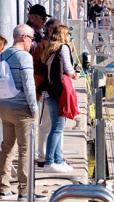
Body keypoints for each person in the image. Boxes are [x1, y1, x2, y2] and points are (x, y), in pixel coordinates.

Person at [0, 24, 47, 200]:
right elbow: (29, 86)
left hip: (4, 106)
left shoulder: (2, 54)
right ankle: (25, 190)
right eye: (31, 38)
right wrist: (34, 110)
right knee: (25, 149)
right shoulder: (24, 57)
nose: (32, 42)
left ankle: (3, 187)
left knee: (7, 147)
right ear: (24, 37)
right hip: (21, 109)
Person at [41, 25, 77, 173]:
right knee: (57, 128)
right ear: (64, 34)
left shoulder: (49, 49)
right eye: (68, 34)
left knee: (56, 126)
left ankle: (58, 159)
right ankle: (50, 162)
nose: (69, 36)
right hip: (60, 92)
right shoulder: (63, 48)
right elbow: (68, 69)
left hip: (50, 92)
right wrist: (75, 74)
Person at [34, 19, 62, 167]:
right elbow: (39, 69)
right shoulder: (44, 46)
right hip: (45, 89)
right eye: (58, 29)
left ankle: (48, 154)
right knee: (46, 124)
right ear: (51, 30)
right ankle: (43, 155)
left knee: (51, 124)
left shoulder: (49, 46)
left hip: (48, 88)